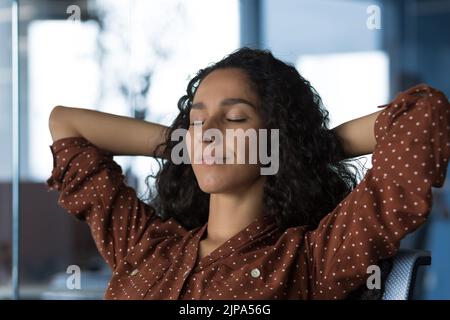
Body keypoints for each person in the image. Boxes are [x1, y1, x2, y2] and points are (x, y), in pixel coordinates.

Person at [46, 47, 450, 299]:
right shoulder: (145, 245)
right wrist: (183, 144)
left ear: (275, 138)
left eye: (235, 118)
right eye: (198, 120)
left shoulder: (311, 261)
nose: (208, 135)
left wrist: (303, 147)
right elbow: (66, 125)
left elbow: (423, 114)